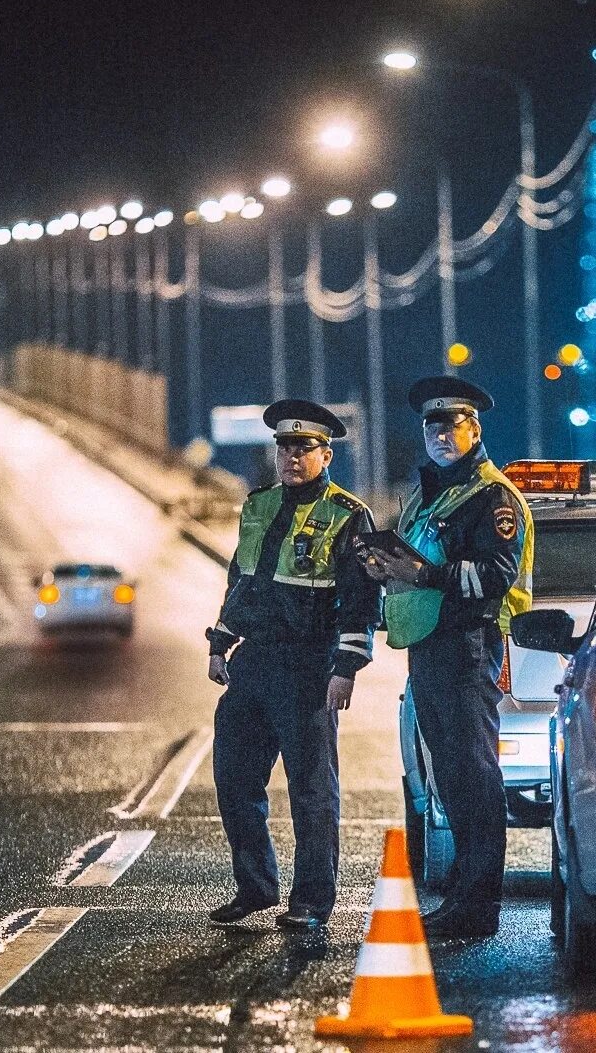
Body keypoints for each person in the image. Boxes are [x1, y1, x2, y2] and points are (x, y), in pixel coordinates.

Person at [359, 376, 533, 938]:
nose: (439, 435)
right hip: (431, 647)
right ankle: (463, 892)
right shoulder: (430, 494)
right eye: (432, 427)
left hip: (467, 644)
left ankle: (478, 905)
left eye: (451, 425)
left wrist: (423, 573)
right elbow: (416, 563)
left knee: (473, 775)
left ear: (473, 430)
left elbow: (495, 576)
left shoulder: (492, 497)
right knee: (450, 778)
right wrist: (385, 568)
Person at [204, 399, 380, 931]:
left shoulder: (348, 514)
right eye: (284, 447)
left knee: (311, 791)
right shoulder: (257, 505)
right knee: (233, 778)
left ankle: (311, 901)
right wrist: (221, 641)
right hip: (254, 660)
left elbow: (360, 597)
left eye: (303, 448)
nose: (291, 456)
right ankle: (255, 887)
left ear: (326, 455)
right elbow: (243, 580)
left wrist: (346, 665)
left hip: (309, 666)